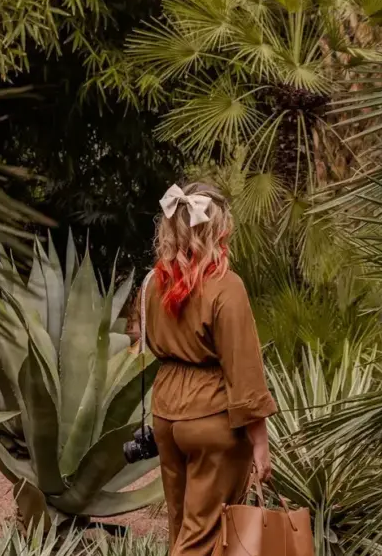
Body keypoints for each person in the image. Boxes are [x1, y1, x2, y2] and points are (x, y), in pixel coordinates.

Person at [129, 182, 277, 556]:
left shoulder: (152, 283)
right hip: (212, 417)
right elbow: (243, 368)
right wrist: (260, 441)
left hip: (167, 416)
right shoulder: (226, 286)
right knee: (202, 540)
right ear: (217, 228)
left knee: (181, 529)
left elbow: (145, 340)